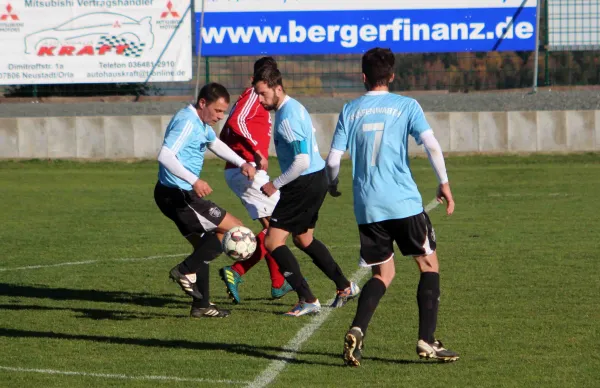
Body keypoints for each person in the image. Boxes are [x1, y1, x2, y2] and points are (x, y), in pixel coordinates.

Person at [326, 47, 460, 366]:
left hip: (367, 208)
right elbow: (430, 144)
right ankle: (427, 340)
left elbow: (332, 160)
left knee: (382, 273)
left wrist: (333, 184)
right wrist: (444, 182)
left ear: (363, 78)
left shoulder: (349, 109)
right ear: (392, 76)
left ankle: (358, 329)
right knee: (428, 265)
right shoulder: (406, 105)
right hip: (403, 202)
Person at [252, 65, 360, 317]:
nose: (260, 99)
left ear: (278, 88)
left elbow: (301, 160)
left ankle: (307, 298)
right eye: (257, 94)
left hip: (303, 182)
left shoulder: (287, 115)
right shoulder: (292, 107)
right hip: (315, 179)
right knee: (303, 238)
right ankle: (344, 286)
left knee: (272, 240)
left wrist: (274, 184)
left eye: (263, 93)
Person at [154, 82, 256, 318]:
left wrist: (242, 163)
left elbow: (214, 143)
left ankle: (201, 305)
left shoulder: (200, 122)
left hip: (170, 194)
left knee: (204, 248)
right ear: (202, 104)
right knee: (234, 228)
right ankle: (184, 270)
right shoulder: (187, 122)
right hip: (180, 194)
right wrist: (194, 181)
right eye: (217, 111)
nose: (220, 117)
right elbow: (164, 155)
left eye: (223, 112)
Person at [217, 57, 294, 304]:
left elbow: (226, 132)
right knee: (280, 226)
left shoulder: (251, 96)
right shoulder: (253, 95)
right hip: (247, 171)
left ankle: (278, 284)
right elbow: (234, 123)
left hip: (243, 170)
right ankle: (236, 271)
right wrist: (254, 152)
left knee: (274, 229)